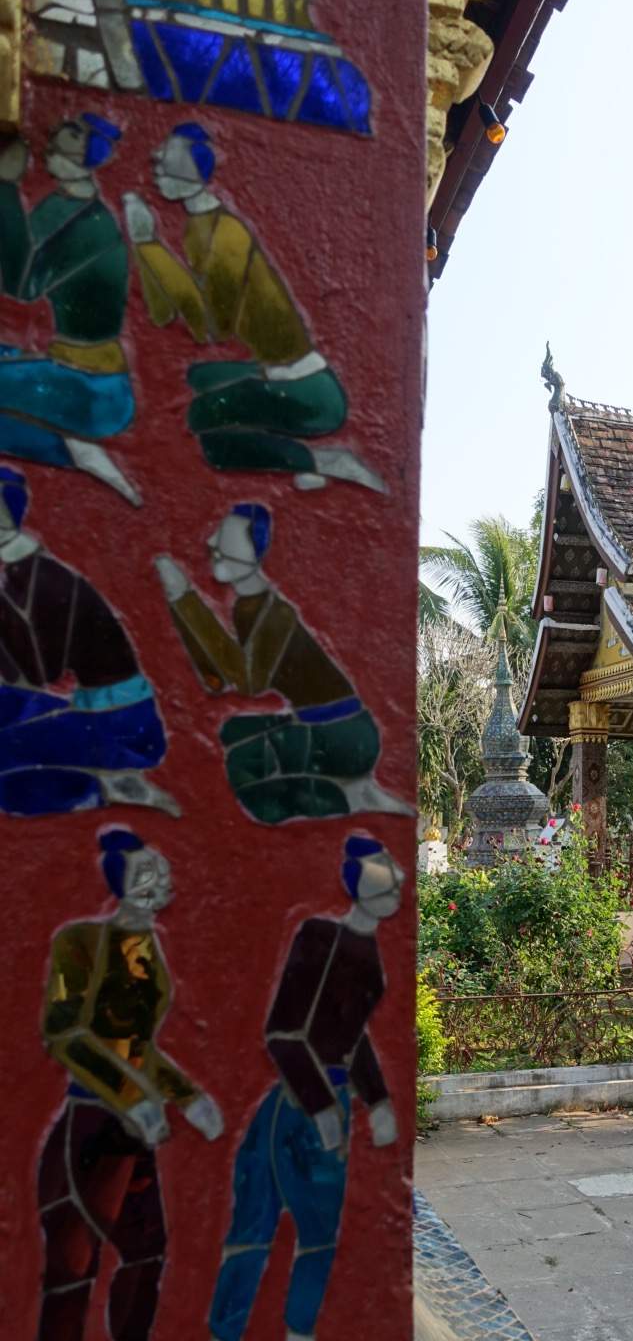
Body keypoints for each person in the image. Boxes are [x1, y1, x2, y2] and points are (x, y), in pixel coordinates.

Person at [200, 835, 403, 1341]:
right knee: (255, 1228)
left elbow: (352, 1035)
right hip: (297, 1102)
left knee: (317, 1236)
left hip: (333, 1097)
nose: (393, 883)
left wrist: (378, 1100)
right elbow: (283, 1033)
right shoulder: (320, 936)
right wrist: (320, 1108)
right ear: (355, 883)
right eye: (380, 873)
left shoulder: (371, 957)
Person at [36, 829, 223, 1341]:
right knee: (75, 1253)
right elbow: (66, 1034)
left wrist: (183, 1096)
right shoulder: (81, 942)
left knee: (147, 1245)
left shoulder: (147, 951)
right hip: (90, 1122)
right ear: (123, 879)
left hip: (134, 1128)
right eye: (151, 870)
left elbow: (139, 1047)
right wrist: (127, 1096)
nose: (164, 879)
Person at [123, 123, 385, 491]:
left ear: (195, 164)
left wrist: (151, 246)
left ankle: (324, 460)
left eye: (168, 150)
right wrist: (142, 247)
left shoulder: (228, 234)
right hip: (271, 371)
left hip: (309, 390)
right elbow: (164, 312)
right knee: (190, 378)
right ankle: (299, 459)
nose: (156, 156)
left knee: (198, 420)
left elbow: (211, 327)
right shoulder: (197, 225)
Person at [155, 502, 410, 821]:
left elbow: (249, 682)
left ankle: (347, 799)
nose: (212, 543)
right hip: (319, 722)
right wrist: (181, 607)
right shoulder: (247, 606)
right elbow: (220, 676)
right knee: (229, 731)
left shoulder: (276, 613)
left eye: (226, 536)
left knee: (242, 768)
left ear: (254, 550)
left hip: (342, 734)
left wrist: (185, 599)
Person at [0, 467, 177, 815]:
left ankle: (111, 787)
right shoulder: (21, 577)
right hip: (93, 711)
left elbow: (39, 672)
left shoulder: (45, 581)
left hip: (123, 728)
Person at [0, 116, 138, 504]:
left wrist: (7, 189)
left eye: (61, 147)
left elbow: (21, 286)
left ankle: (71, 451)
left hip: (94, 388)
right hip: (64, 369)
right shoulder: (62, 202)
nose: (46, 152)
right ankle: (76, 453)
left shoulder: (87, 223)